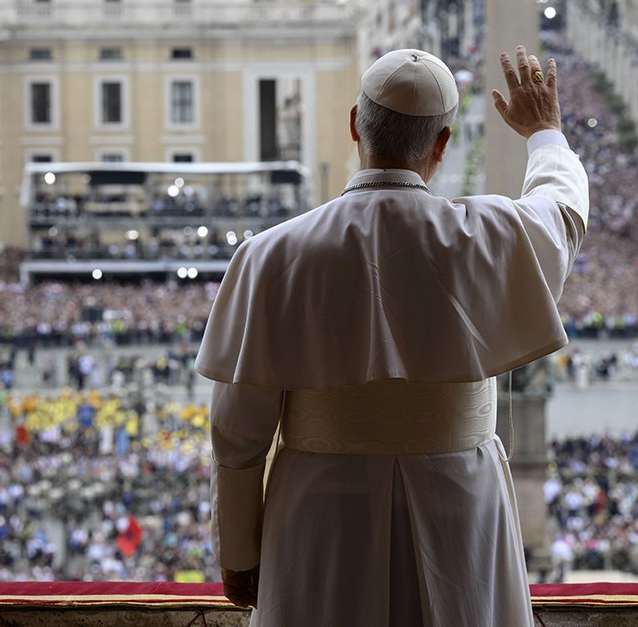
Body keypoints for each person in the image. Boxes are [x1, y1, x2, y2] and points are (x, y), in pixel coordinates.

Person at [196, 45, 588, 626]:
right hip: (458, 504)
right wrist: (545, 135)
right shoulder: (491, 236)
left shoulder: (269, 255)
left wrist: (238, 552)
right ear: (442, 144)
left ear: (355, 125)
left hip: (320, 510)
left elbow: (237, 432)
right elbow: (563, 210)